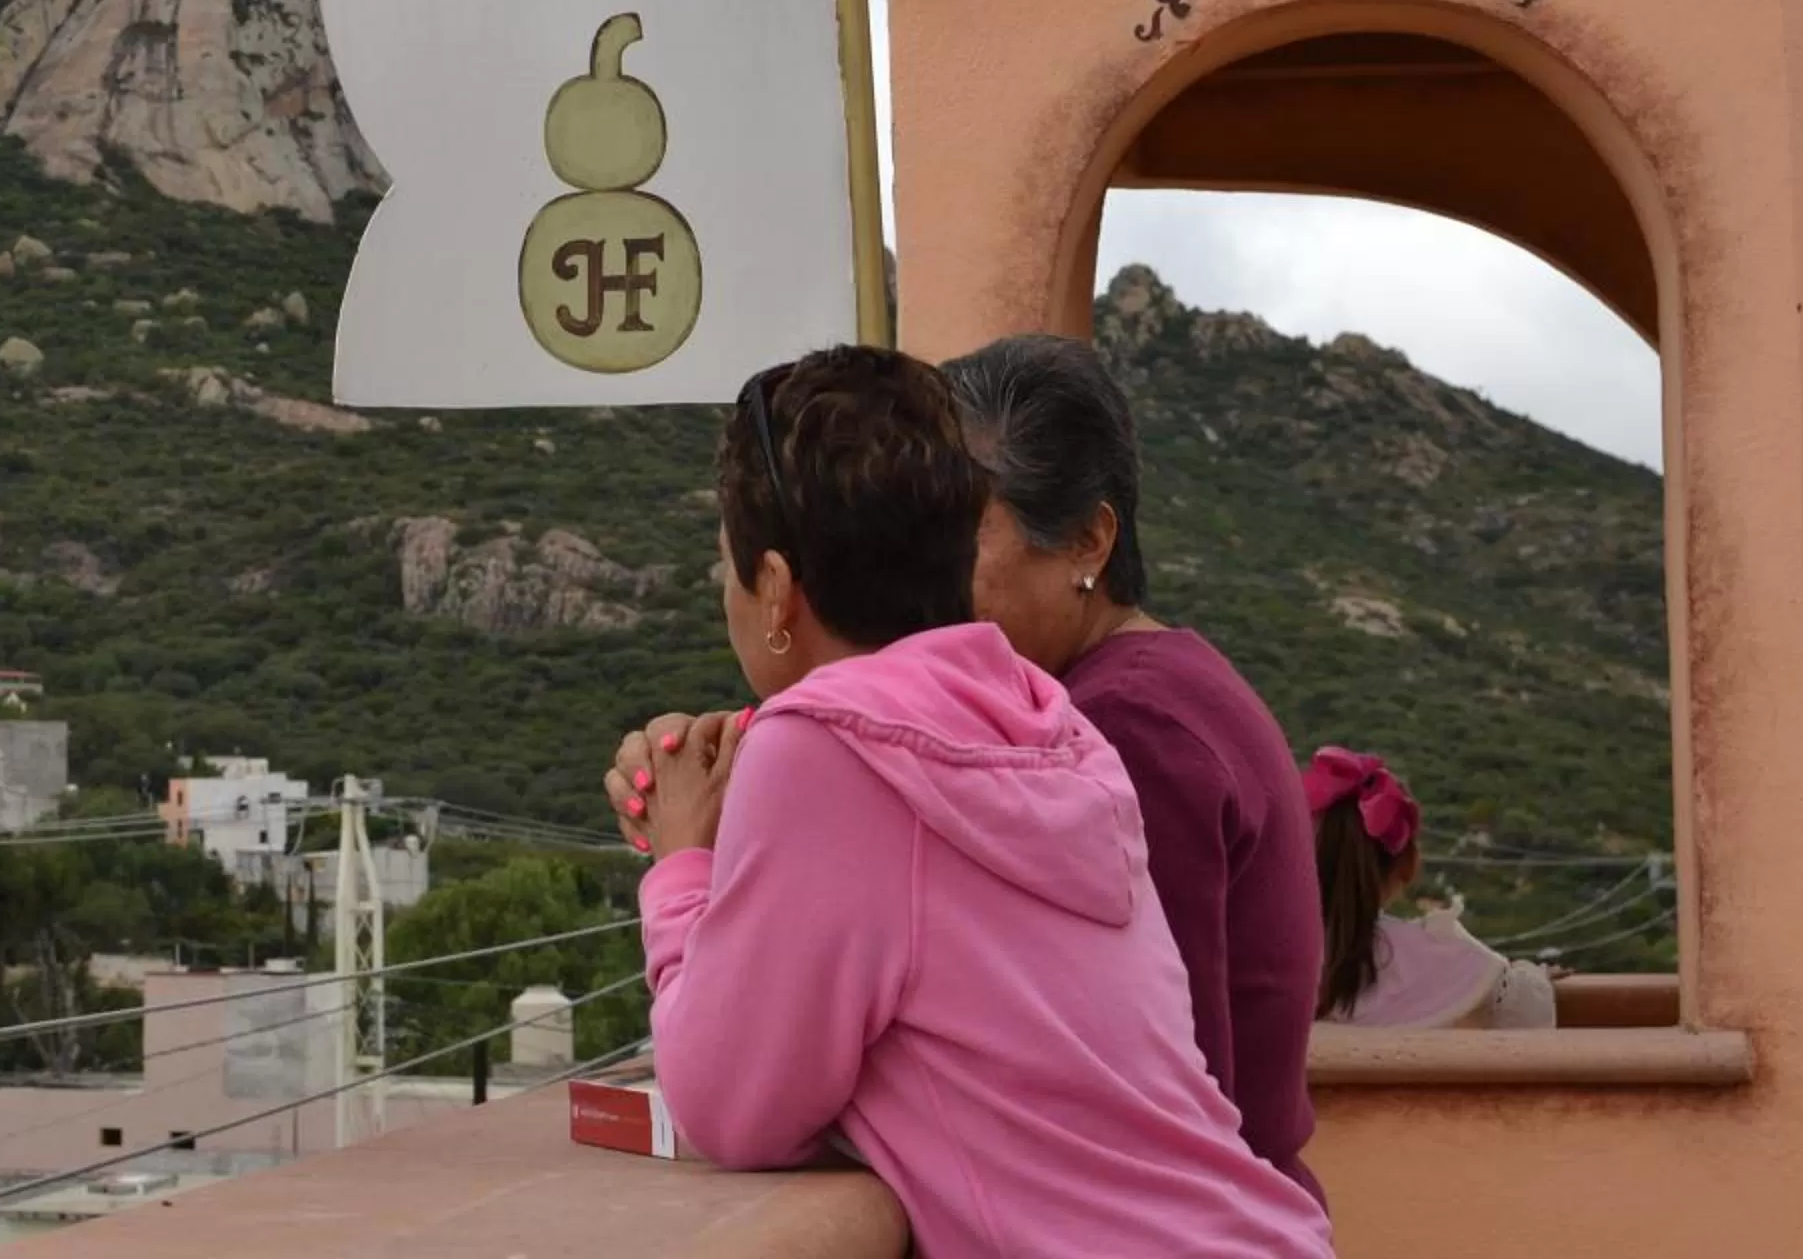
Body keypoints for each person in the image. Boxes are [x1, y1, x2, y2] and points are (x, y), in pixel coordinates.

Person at [620, 346, 1332, 1258]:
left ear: (774, 590)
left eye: (724, 569)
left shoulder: (826, 753)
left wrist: (684, 865)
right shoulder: (1053, 725)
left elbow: (733, 1107)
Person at [937, 333, 1326, 1202]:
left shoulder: (1124, 730)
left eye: (959, 533)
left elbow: (1159, 1090)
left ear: (1086, 540)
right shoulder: (1160, 688)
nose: (925, 576)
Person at [1309, 746, 1558, 1028]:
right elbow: (1523, 1005)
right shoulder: (1452, 964)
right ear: (1407, 866)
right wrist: (1537, 977)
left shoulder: (1261, 956)